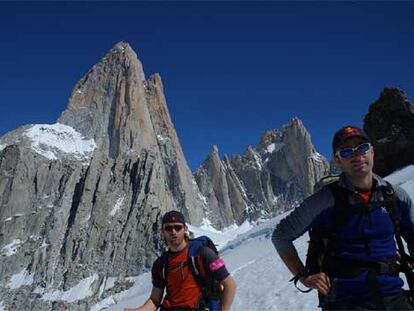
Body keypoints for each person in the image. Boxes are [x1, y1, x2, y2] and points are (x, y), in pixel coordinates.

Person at [272, 125, 414, 310]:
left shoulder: (395, 197)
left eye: (362, 148)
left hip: (393, 297)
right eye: (347, 152)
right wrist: (304, 276)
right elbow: (281, 235)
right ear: (338, 160)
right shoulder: (325, 200)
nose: (357, 156)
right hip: (345, 302)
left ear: (372, 151)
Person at [124, 210, 236, 311]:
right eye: (168, 228)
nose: (173, 232)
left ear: (185, 229)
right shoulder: (160, 264)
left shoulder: (203, 254)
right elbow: (155, 300)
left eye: (177, 227)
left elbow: (229, 285)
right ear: (162, 231)